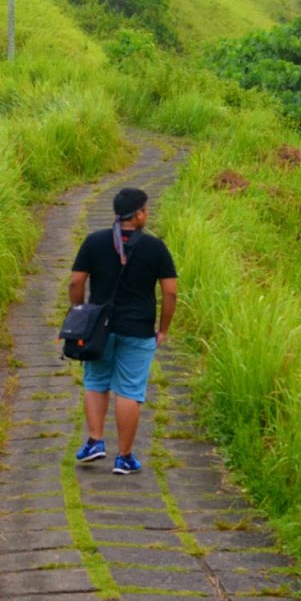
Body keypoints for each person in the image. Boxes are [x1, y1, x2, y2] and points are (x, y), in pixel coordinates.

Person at [69, 187, 178, 475]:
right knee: (129, 390)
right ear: (139, 214)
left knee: (96, 381)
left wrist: (79, 312)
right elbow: (170, 293)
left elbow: (75, 282)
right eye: (147, 209)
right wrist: (163, 329)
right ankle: (125, 457)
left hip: (99, 330)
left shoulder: (94, 242)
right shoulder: (156, 248)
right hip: (139, 329)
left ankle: (94, 441)